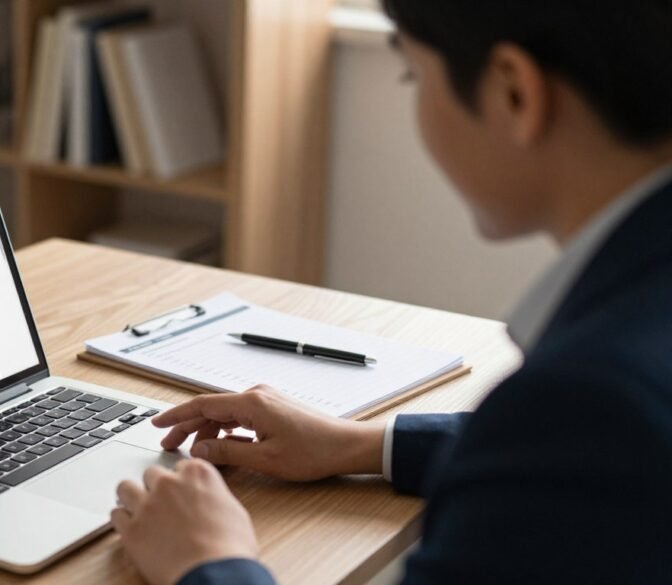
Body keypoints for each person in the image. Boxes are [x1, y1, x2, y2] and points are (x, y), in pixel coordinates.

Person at [109, 1, 672, 583]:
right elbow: (571, 454)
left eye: (413, 75)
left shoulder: (591, 399)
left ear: (514, 93)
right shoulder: (603, 400)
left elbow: (578, 442)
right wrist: (361, 444)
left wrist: (209, 561)